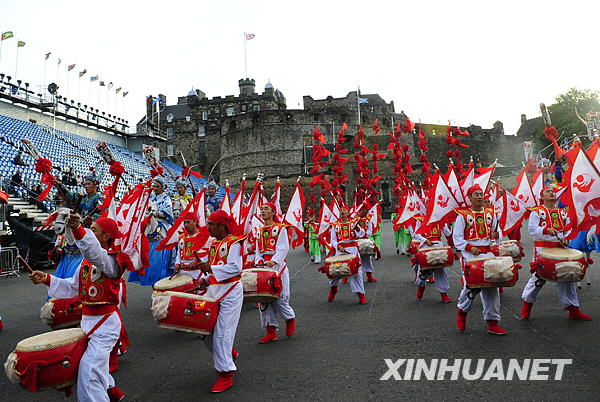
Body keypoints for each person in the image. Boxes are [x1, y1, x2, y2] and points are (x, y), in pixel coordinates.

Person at [29, 215, 129, 402]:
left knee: (90, 370)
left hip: (105, 325)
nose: (91, 231)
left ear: (106, 236)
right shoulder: (86, 262)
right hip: (86, 322)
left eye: (95, 230)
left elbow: (96, 254)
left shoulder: (113, 262)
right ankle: (110, 391)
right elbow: (72, 286)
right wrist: (47, 279)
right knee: (89, 364)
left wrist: (79, 230)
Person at [520, 187, 592, 321]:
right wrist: (546, 230)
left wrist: (566, 237)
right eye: (548, 191)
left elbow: (568, 229)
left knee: (567, 277)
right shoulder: (537, 212)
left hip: (561, 249)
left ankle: (573, 309)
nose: (552, 192)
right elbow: (532, 228)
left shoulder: (562, 212)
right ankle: (527, 305)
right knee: (538, 279)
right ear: (542, 196)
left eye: (553, 191)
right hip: (543, 251)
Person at [196, 210, 244, 393]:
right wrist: (206, 279)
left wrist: (210, 268)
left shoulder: (235, 243)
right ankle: (229, 353)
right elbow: (216, 270)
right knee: (204, 330)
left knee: (222, 334)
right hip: (215, 290)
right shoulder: (215, 243)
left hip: (231, 292)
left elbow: (234, 268)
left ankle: (226, 374)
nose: (207, 227)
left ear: (221, 226)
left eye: (211, 224)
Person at [454, 185, 506, 335]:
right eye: (476, 194)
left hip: (488, 254)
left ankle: (492, 323)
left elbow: (497, 232)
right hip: (470, 256)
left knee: (492, 287)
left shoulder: (491, 213)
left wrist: (497, 237)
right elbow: (457, 238)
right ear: (469, 197)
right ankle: (462, 311)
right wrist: (469, 247)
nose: (479, 196)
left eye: (481, 194)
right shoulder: (462, 216)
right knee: (471, 287)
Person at [254, 203, 296, 343]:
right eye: (262, 209)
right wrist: (259, 260)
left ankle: (289, 318)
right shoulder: (259, 231)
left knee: (279, 296)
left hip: (277, 267)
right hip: (264, 268)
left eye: (266, 209)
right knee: (264, 300)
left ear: (273, 212)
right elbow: (258, 251)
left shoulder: (280, 228)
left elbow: (283, 247)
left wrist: (274, 261)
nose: (263, 211)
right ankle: (270, 331)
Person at [128, 177, 174, 286]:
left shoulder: (166, 198)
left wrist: (157, 213)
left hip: (162, 224)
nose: (155, 188)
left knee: (166, 237)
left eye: (157, 186)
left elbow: (168, 212)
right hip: (149, 222)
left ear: (162, 187)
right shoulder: (150, 197)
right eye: (154, 186)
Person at [327, 206, 368, 304]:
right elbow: (332, 240)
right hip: (340, 251)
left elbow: (362, 234)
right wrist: (338, 246)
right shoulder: (335, 225)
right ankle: (333, 289)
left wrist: (357, 228)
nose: (342, 212)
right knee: (335, 271)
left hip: (353, 251)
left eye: (344, 210)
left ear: (348, 213)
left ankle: (361, 295)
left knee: (357, 272)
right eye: (340, 211)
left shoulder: (353, 223)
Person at [410, 215, 452, 302]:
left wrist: (449, 224)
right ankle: (421, 286)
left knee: (441, 271)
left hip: (439, 246)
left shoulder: (440, 218)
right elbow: (416, 234)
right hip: (426, 247)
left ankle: (444, 294)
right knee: (423, 271)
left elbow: (447, 233)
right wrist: (425, 240)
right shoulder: (420, 219)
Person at [173, 212, 208, 280]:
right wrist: (177, 263)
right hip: (182, 272)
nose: (186, 225)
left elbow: (207, 254)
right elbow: (179, 253)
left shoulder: (203, 236)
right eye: (184, 223)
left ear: (195, 222)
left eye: (188, 222)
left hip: (196, 272)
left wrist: (196, 262)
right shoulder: (182, 237)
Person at [357, 206, 377, 283]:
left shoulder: (368, 220)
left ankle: (369, 276)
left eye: (364, 210)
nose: (363, 211)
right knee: (354, 259)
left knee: (367, 259)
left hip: (365, 240)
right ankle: (348, 275)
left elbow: (370, 231)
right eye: (361, 210)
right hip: (355, 241)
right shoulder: (353, 220)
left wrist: (365, 234)